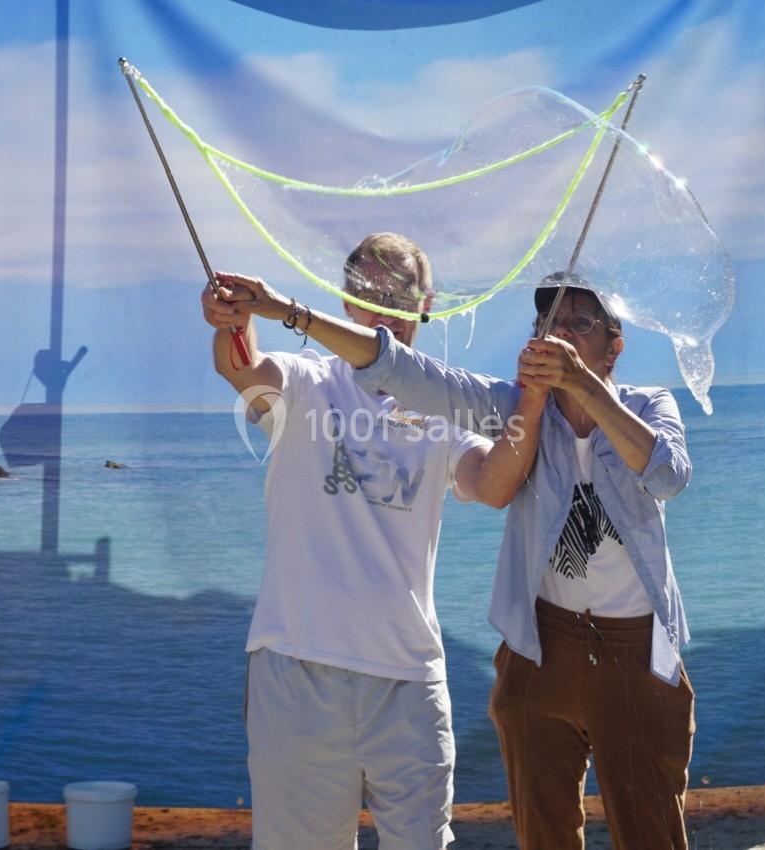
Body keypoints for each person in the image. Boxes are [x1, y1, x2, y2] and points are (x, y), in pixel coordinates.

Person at [221, 269, 695, 850]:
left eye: (579, 324)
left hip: (635, 647)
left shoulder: (649, 403)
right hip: (541, 644)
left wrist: (583, 385)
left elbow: (668, 474)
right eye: (548, 324)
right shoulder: (512, 405)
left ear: (613, 347)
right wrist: (290, 312)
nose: (560, 335)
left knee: (651, 831)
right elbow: (402, 370)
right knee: (543, 833)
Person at [201, 232, 550, 850]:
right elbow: (242, 367)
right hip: (297, 666)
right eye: (369, 293)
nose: (385, 308)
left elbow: (493, 485)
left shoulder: (444, 406)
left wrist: (537, 399)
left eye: (400, 294)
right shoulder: (306, 380)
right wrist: (233, 317)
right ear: (346, 300)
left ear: (426, 305)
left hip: (408, 678)